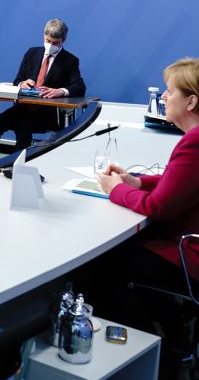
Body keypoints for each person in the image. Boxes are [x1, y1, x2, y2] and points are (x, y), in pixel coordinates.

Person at [88, 58, 199, 378]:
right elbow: (179, 181)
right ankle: (171, 329)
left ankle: (149, 350)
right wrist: (136, 181)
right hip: (187, 243)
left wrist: (114, 190)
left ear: (191, 101)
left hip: (189, 254)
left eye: (169, 91)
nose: (163, 97)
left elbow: (160, 208)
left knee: (103, 264)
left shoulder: (194, 142)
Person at [0, 18, 86, 166]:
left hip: (47, 113)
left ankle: (14, 167)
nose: (50, 45)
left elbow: (80, 86)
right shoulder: (32, 53)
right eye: (48, 40)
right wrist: (22, 83)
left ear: (63, 40)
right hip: (22, 107)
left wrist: (60, 91)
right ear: (43, 36)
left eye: (55, 43)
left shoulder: (70, 60)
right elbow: (17, 80)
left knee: (23, 125)